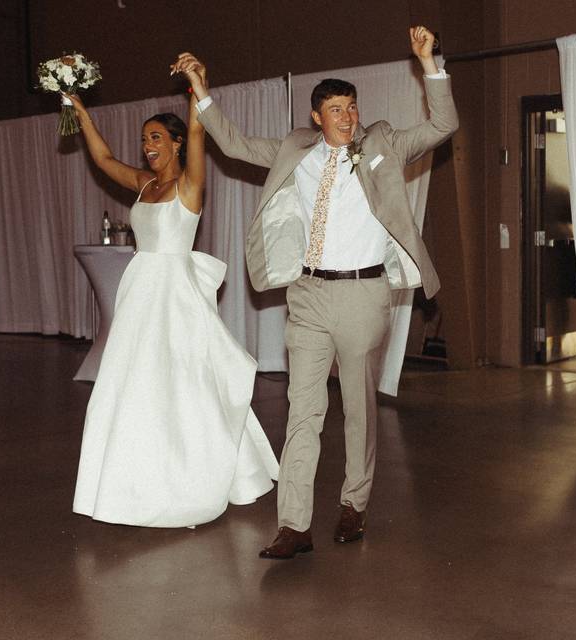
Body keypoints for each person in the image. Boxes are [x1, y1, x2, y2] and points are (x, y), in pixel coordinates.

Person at [173, 25, 458, 558]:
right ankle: (294, 525)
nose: (348, 117)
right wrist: (199, 87)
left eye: (352, 107)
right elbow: (232, 143)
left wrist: (429, 63)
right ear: (316, 117)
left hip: (363, 295)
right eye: (336, 110)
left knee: (357, 409)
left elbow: (444, 123)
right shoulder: (294, 150)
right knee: (303, 410)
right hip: (307, 296)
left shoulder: (385, 144)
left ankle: (354, 504)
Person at [67, 74, 279, 527]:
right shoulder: (144, 184)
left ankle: (195, 476)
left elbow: (199, 129)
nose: (148, 146)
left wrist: (196, 85)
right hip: (140, 293)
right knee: (136, 384)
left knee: (186, 383)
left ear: (178, 144)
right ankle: (137, 479)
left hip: (175, 296)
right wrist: (79, 109)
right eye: (145, 139)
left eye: (157, 138)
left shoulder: (190, 185)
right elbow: (103, 159)